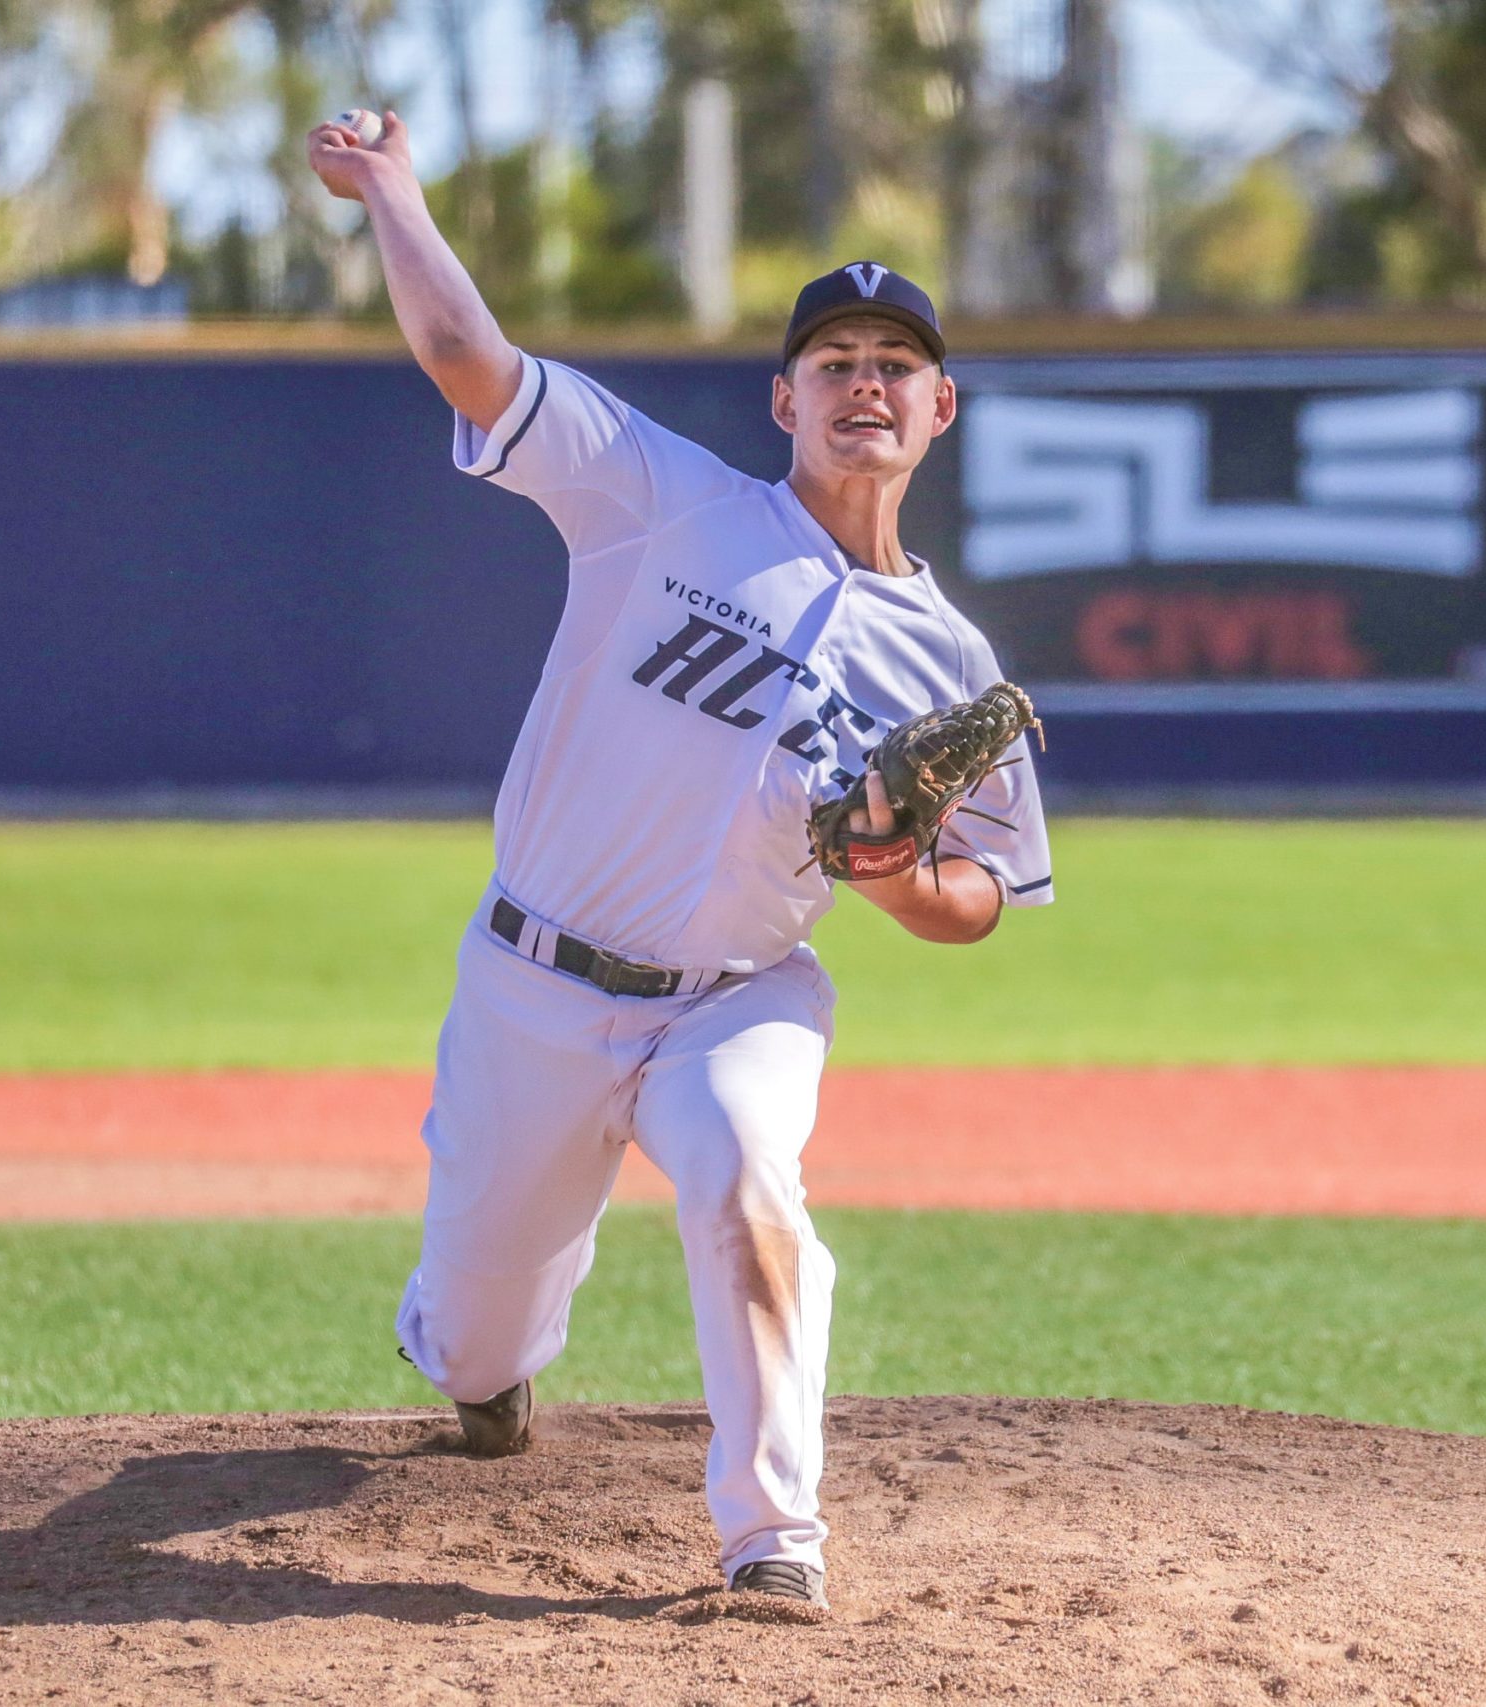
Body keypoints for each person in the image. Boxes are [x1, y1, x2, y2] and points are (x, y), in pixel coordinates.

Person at [307, 110, 1054, 1611]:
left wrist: (902, 878)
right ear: (784, 398)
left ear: (940, 408)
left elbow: (983, 896)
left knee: (746, 1181)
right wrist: (390, 191)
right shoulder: (659, 501)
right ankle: (487, 1370)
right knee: (472, 1333)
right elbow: (472, 361)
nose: (866, 383)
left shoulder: (949, 660)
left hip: (740, 991)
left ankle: (774, 1538)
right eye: (836, 362)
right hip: (536, 977)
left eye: (895, 363)